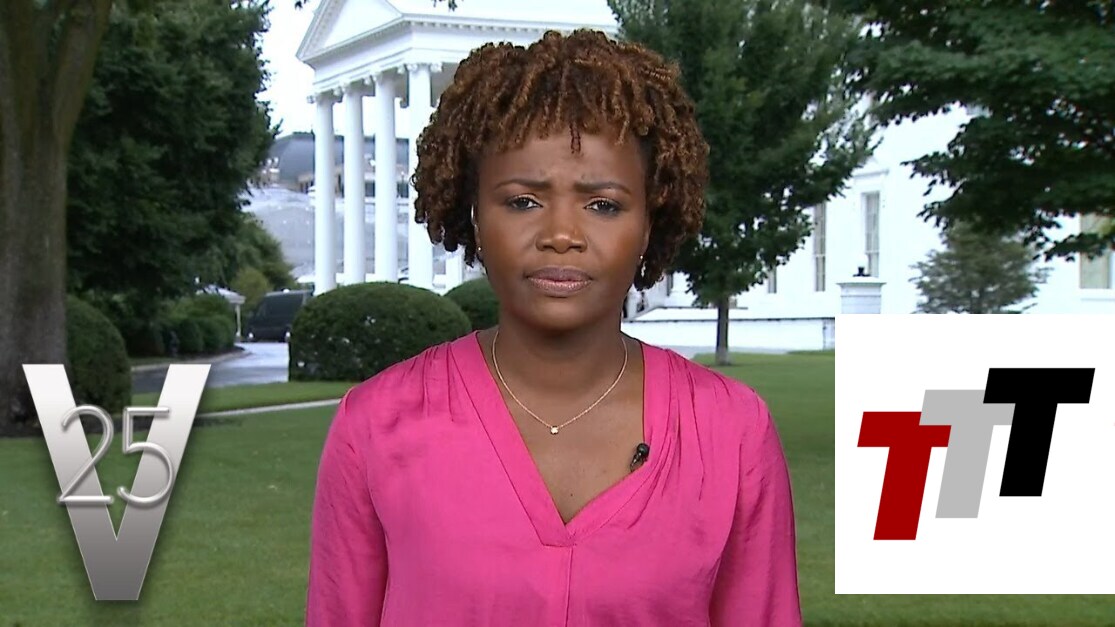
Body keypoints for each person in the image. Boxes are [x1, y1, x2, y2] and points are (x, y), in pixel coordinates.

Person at [306, 29, 801, 626]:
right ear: (474, 215)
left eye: (603, 204)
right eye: (523, 201)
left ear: (649, 223)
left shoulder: (731, 432)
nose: (561, 234)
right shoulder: (375, 427)